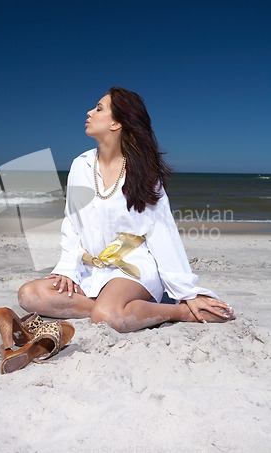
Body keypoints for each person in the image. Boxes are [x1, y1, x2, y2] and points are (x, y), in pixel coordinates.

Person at [18, 87, 235, 333]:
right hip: (90, 267)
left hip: (133, 267)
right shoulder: (80, 165)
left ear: (116, 124)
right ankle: (116, 306)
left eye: (99, 108)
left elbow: (162, 232)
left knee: (107, 316)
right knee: (30, 295)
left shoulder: (143, 172)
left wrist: (186, 293)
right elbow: (72, 221)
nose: (89, 112)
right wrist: (66, 269)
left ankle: (180, 312)